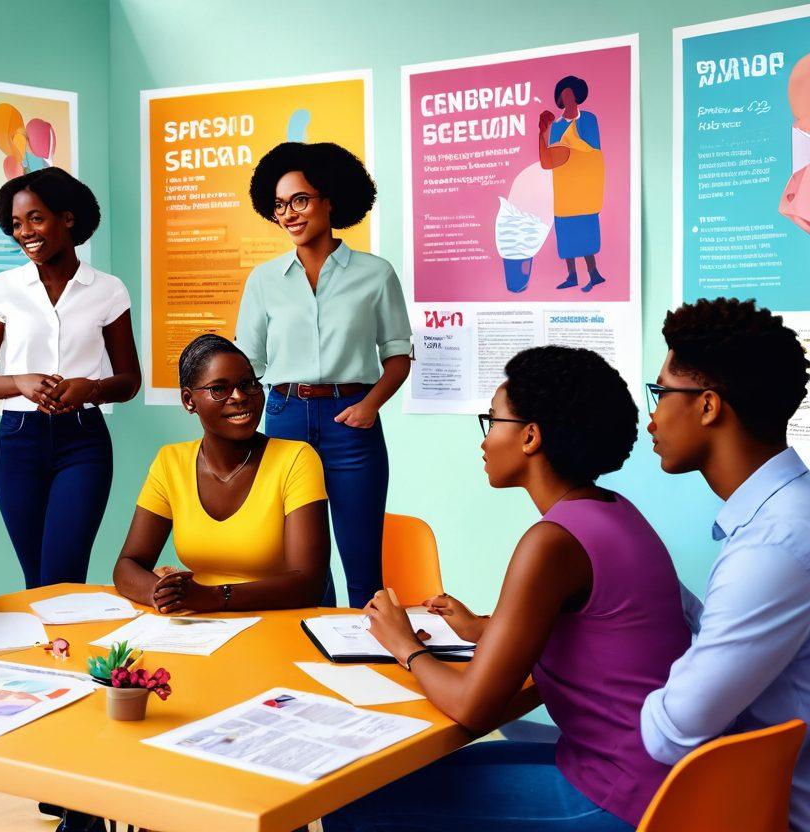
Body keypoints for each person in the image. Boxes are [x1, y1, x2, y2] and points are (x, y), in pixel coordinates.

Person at [326, 346, 691, 831]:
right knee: (375, 778)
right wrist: (482, 628)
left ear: (530, 437)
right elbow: (597, 632)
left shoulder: (552, 542)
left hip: (622, 797)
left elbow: (474, 709)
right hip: (655, 775)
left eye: (493, 420)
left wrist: (404, 644)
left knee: (351, 804)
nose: (483, 439)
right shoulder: (613, 511)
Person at [641, 298, 810, 831]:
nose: (653, 414)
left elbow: (671, 733)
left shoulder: (776, 542)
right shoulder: (786, 512)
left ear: (708, 405)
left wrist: (617, 677)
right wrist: (654, 592)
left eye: (662, 391)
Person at [236, 141, 411, 608]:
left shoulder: (375, 275)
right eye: (279, 205)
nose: (288, 214)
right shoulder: (264, 280)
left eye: (300, 200)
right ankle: (317, 648)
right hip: (285, 419)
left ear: (329, 199)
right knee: (301, 563)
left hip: (350, 419)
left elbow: (397, 356)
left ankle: (373, 656)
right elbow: (248, 365)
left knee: (361, 559)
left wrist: (368, 407)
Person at [0, 167, 140, 589]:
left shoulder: (108, 289)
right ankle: (48, 655)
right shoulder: (1, 289)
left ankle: (66, 651)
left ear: (68, 218)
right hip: (18, 442)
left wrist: (91, 389)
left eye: (36, 218)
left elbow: (129, 379)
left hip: (83, 442)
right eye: (17, 224)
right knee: (36, 580)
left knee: (64, 575)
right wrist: (19, 382)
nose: (26, 232)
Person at [114, 334, 328, 613]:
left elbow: (309, 584)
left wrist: (215, 597)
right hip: (197, 625)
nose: (239, 397)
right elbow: (128, 564)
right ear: (189, 401)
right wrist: (161, 594)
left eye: (248, 384)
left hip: (275, 623)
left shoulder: (296, 459)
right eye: (219, 389)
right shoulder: (171, 462)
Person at [539, 75, 607, 292]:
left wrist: (569, 143)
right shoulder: (557, 126)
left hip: (585, 190)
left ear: (578, 96)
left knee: (586, 233)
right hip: (565, 189)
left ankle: (594, 274)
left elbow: (591, 147)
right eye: (563, 95)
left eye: (571, 94)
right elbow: (552, 156)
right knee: (567, 234)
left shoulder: (589, 119)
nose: (568, 99)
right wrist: (545, 133)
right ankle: (572, 276)